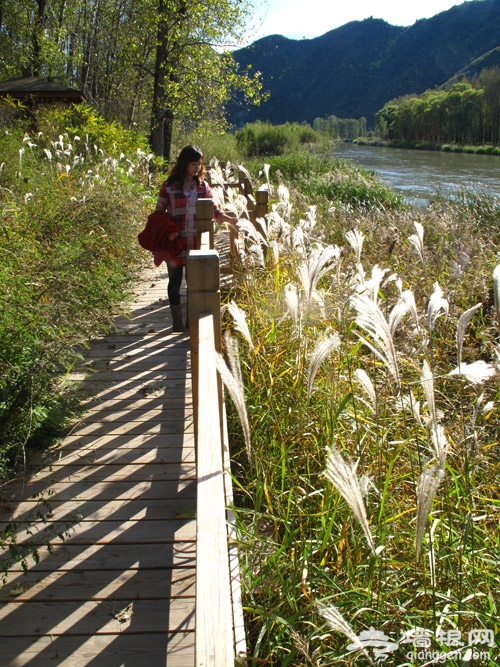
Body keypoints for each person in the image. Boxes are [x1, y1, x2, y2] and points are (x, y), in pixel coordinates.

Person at [152, 145, 237, 332]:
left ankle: (191, 321)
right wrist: (168, 230)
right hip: (174, 242)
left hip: (195, 243)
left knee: (194, 283)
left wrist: (229, 219)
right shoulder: (168, 186)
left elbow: (212, 210)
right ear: (184, 163)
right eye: (194, 164)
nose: (198, 167)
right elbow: (159, 213)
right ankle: (177, 323)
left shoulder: (202, 186)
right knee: (174, 283)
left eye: (200, 164)